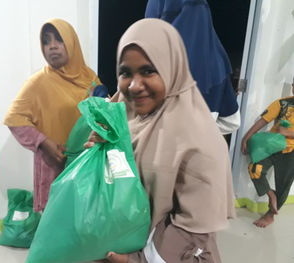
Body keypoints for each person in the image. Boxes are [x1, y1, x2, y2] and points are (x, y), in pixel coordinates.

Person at [87, 18, 235, 263]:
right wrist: (100, 155)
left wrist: (136, 259)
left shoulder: (199, 139)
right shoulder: (122, 113)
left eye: (148, 71)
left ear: (172, 68)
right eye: (125, 73)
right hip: (115, 244)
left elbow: (192, 229)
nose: (134, 86)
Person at [4, 18, 108, 212]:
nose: (52, 47)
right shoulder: (38, 82)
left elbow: (101, 115)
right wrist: (44, 143)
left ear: (71, 42)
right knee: (56, 220)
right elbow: (14, 118)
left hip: (85, 162)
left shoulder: (90, 78)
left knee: (84, 215)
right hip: (55, 164)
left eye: (58, 40)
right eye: (46, 41)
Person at [145, 0, 240, 135]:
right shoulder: (217, 66)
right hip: (196, 153)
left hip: (153, 150)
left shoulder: (148, 65)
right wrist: (197, 133)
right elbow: (232, 122)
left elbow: (126, 115)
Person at [241, 79, 294, 228]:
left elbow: (287, 132)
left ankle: (270, 214)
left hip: (291, 153)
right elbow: (263, 120)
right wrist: (246, 137)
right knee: (255, 168)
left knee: (284, 186)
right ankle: (271, 195)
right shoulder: (282, 103)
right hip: (272, 147)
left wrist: (289, 133)